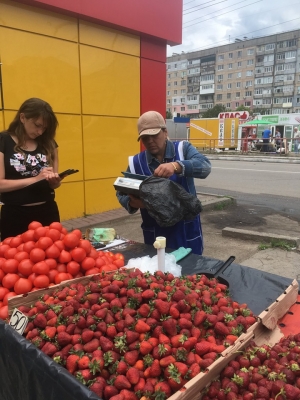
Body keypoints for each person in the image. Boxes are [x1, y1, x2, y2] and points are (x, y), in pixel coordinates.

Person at [116, 110, 211, 255]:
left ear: (165, 132)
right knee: (160, 274)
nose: (150, 141)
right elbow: (120, 192)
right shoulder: (136, 163)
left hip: (186, 230)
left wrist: (176, 166)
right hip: (156, 233)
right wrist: (132, 203)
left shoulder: (183, 149)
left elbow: (205, 167)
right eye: (145, 138)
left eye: (154, 135)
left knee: (191, 272)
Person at [0, 98, 62, 240]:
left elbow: (55, 183)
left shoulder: (49, 143)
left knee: (52, 259)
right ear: (22, 117)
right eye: (37, 125)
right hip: (15, 214)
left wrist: (55, 181)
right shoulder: (3, 140)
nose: (40, 132)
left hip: (47, 211)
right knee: (15, 260)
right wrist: (35, 179)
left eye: (44, 128)